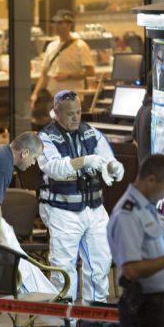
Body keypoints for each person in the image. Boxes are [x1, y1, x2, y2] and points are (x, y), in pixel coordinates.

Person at [37, 90, 125, 304]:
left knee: (100, 262)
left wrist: (113, 166)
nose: (76, 117)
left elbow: (106, 158)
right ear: (56, 113)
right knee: (63, 267)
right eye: (70, 114)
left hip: (94, 208)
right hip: (62, 210)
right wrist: (85, 161)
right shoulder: (46, 137)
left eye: (78, 112)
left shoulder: (91, 132)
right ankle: (64, 321)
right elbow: (54, 168)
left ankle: (95, 315)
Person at [107, 154, 164, 327]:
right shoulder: (128, 214)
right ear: (151, 180)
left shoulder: (145, 209)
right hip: (144, 308)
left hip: (159, 307)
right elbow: (132, 269)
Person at [30, 9, 95, 109]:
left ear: (69, 24)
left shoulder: (80, 46)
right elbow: (44, 74)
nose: (56, 26)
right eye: (54, 22)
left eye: (60, 23)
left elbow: (90, 72)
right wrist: (35, 94)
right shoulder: (51, 46)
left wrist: (68, 75)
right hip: (53, 98)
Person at [132, 73, 153, 164]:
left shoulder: (142, 109)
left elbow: (135, 141)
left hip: (145, 170)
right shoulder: (155, 112)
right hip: (155, 173)